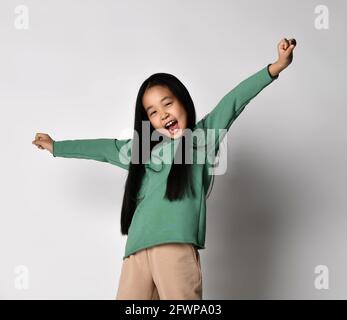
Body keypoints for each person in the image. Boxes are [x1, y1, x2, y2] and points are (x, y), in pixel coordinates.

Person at [32, 38, 297, 300]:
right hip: (136, 252)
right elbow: (104, 149)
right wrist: (57, 147)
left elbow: (234, 101)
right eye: (153, 112)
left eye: (167, 103)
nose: (163, 114)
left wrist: (275, 67)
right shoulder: (143, 152)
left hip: (175, 248)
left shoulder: (202, 137)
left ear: (183, 101)